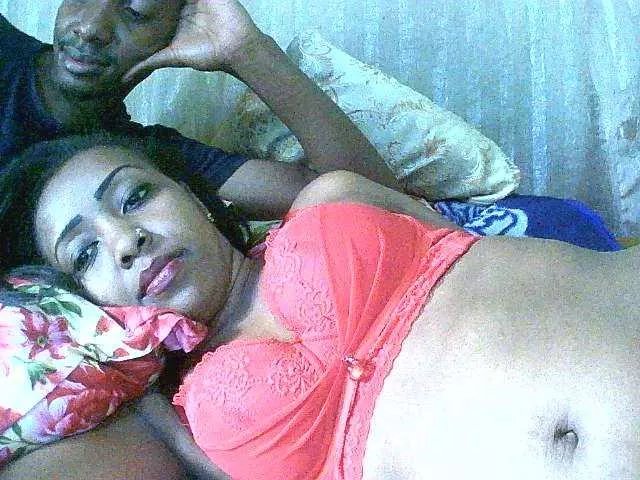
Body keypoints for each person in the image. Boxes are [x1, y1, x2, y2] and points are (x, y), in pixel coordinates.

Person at [1, 132, 639, 480]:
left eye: (136, 196)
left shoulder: (332, 198)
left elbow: (475, 242)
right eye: (84, 253)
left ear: (195, 197)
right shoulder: (175, 419)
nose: (125, 240)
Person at [0, 0, 397, 219]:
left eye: (135, 11)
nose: (90, 27)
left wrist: (247, 51)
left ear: (177, 30)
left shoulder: (146, 166)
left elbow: (374, 200)